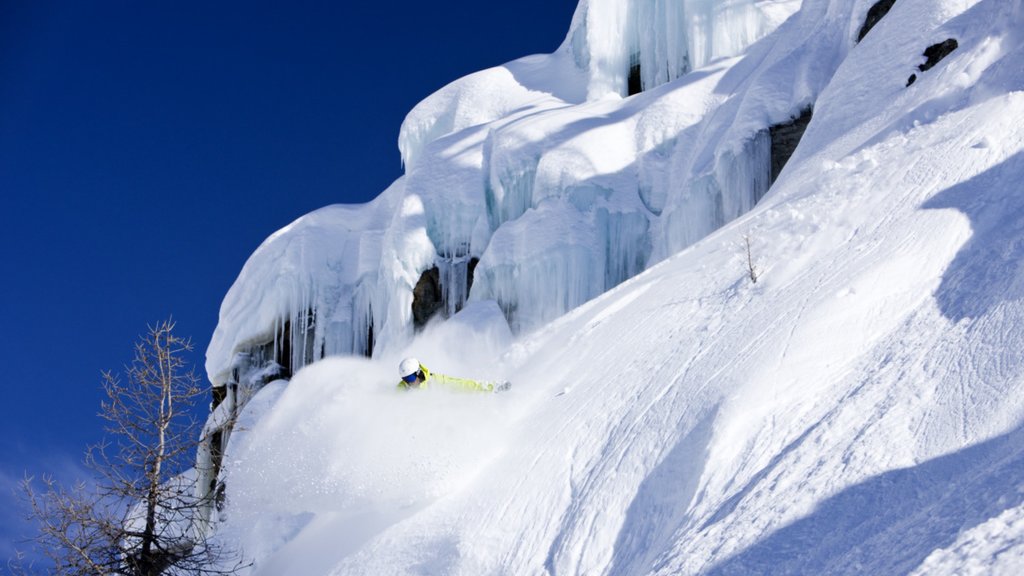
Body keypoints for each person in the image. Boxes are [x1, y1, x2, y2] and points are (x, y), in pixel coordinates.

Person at [397, 357, 511, 392]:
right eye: (406, 379)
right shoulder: (402, 389)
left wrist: (492, 387)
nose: (409, 383)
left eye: (411, 378)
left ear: (419, 373)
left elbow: (464, 385)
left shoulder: (436, 381)